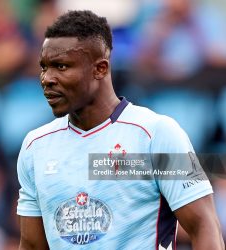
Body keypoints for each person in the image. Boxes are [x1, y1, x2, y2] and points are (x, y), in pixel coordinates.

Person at [16, 10, 224, 250]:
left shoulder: (157, 134)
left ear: (100, 69)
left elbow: (204, 227)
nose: (47, 78)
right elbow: (31, 245)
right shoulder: (35, 146)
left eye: (61, 66)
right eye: (44, 67)